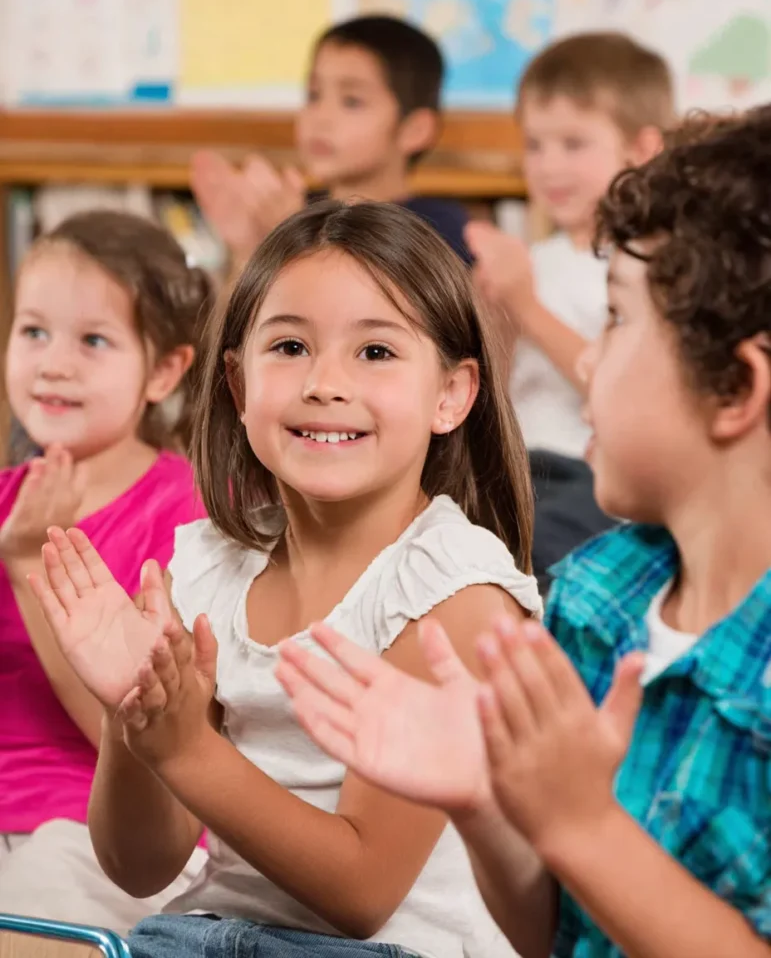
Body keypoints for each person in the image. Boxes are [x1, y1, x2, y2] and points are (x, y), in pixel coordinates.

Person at [277, 108, 771, 956]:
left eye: (615, 318)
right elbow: (550, 929)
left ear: (733, 388)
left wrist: (579, 825)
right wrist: (486, 804)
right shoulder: (594, 595)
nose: (582, 358)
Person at [29, 200, 541, 958]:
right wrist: (131, 712)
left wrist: (184, 752)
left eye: (374, 353)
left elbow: (364, 892)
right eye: (290, 346)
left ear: (451, 394)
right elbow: (141, 867)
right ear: (237, 386)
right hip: (205, 936)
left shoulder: (455, 593)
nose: (324, 383)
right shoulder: (206, 565)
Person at [0, 211, 214, 932]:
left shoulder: (181, 515)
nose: (53, 363)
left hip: (99, 836)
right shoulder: (8, 498)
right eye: (33, 332)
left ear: (163, 370)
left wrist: (29, 561)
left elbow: (141, 741)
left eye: (93, 340)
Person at [467, 32, 675, 591]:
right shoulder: (534, 259)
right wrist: (493, 312)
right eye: (535, 145)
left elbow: (628, 390)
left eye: (574, 143)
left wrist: (525, 306)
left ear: (642, 149)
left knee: (524, 573)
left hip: (591, 476)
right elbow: (498, 391)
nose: (549, 165)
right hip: (513, 469)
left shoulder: (648, 263)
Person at [191, 15, 473, 274]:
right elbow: (237, 327)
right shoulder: (297, 209)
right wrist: (248, 250)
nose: (320, 118)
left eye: (352, 101)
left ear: (414, 130)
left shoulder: (438, 230)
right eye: (314, 95)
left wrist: (289, 242)